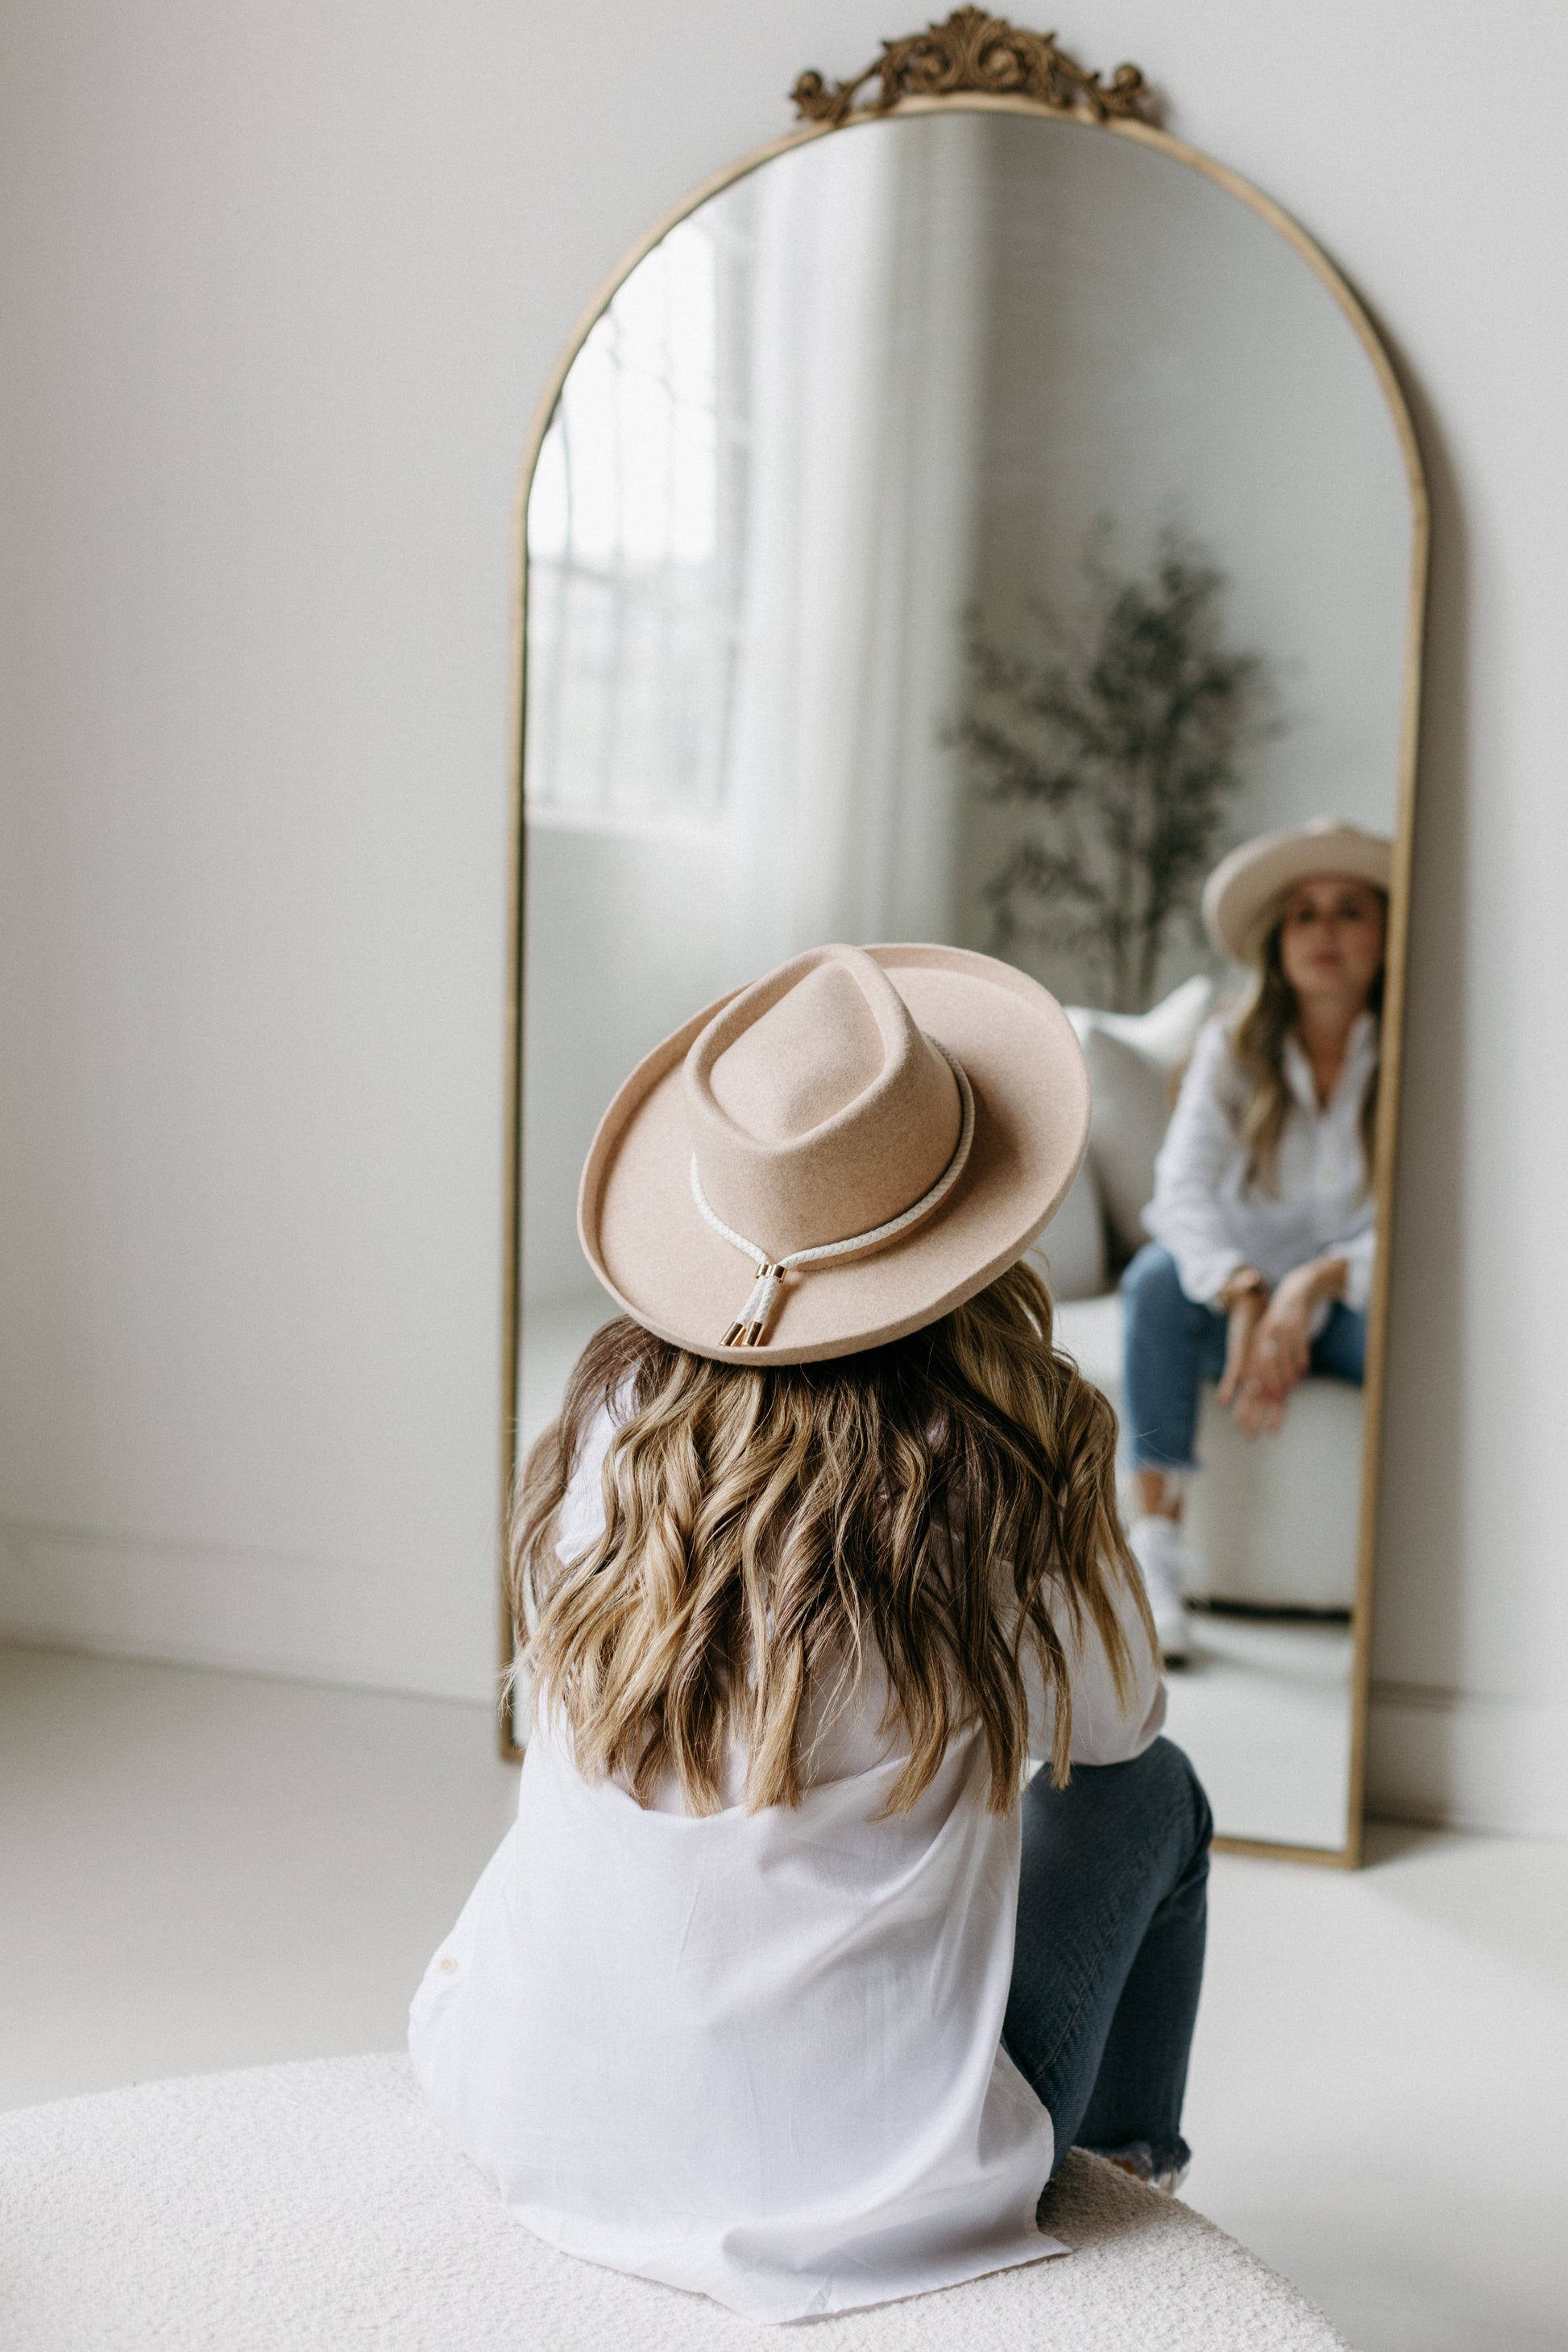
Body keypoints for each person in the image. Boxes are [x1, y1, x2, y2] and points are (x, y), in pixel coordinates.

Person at [410, 943, 1210, 2324]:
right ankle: (1126, 2171)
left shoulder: (614, 1424)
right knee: (1156, 1797)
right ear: (976, 1218)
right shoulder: (995, 1477)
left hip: (531, 2092)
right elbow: (1121, 1719)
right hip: (860, 2192)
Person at [1122, 818, 1390, 1663]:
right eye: (1302, 913)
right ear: (1276, 940)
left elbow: (1434, 1225)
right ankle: (1155, 1556)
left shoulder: (1420, 1054)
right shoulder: (1230, 1048)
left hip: (1350, 1304)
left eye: (1348, 910)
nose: (1322, 931)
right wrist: (1241, 1290)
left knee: (1427, 1321)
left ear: (1385, 933)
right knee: (1153, 1282)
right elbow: (1180, 1190)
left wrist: (1314, 1284)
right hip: (1225, 1307)